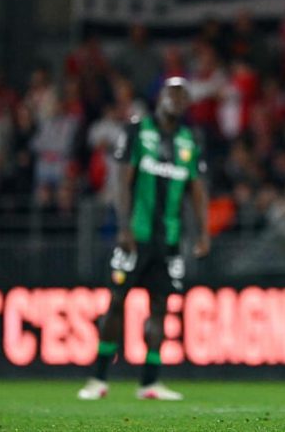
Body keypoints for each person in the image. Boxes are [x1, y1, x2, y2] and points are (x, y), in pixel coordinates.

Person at [77, 77, 210, 401]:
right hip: (136, 235)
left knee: (161, 306)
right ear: (160, 97)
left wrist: (203, 232)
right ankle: (98, 379)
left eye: (183, 96)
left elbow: (196, 189)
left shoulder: (189, 139)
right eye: (172, 94)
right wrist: (123, 226)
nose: (177, 100)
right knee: (117, 300)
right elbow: (122, 181)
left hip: (169, 240)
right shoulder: (137, 130)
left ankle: (149, 382)